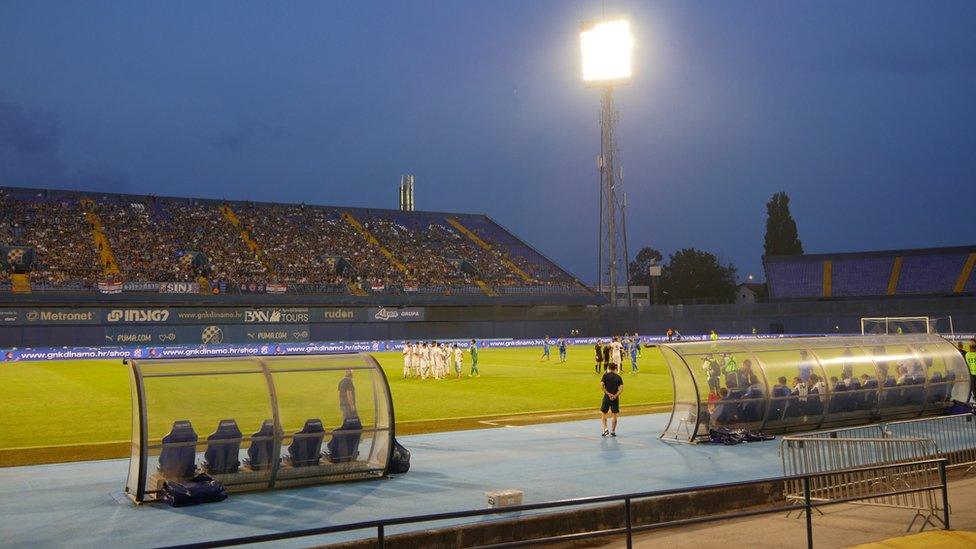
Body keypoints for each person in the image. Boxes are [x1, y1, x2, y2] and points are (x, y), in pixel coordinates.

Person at [328, 368, 362, 462]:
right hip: (348, 406)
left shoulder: (341, 381)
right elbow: (349, 394)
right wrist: (352, 406)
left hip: (343, 405)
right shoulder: (349, 382)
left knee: (345, 421)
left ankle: (346, 437)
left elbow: (340, 394)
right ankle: (350, 437)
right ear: (350, 374)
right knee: (352, 422)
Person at [600, 363, 624, 437]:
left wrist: (608, 394)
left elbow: (601, 386)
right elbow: (621, 389)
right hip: (615, 398)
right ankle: (613, 431)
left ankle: (605, 429)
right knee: (614, 415)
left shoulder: (605, 375)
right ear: (615, 368)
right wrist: (615, 395)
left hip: (607, 397)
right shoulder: (618, 377)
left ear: (608, 368)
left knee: (603, 413)